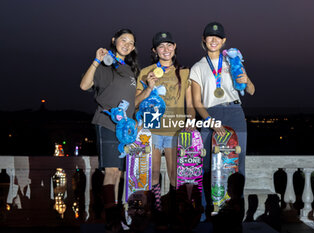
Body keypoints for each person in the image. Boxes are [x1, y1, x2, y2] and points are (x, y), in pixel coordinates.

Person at [190, 22, 255, 221]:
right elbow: (197, 102)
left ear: (224, 40)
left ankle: (237, 212)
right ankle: (206, 211)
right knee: (207, 165)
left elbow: (251, 90)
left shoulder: (233, 61)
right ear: (204, 39)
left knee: (237, 164)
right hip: (211, 114)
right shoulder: (198, 67)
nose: (213, 40)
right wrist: (210, 121)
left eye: (218, 37)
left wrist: (246, 79)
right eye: (210, 36)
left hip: (235, 112)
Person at [80, 29, 140, 210]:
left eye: (131, 43)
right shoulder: (105, 63)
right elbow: (84, 86)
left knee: (119, 172)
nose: (127, 45)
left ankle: (113, 212)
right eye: (123, 40)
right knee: (111, 171)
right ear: (114, 40)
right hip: (107, 123)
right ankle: (111, 217)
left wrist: (148, 90)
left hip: (125, 129)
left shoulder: (130, 69)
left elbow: (132, 101)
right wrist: (96, 60)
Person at [135, 32, 195, 211]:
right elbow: (136, 101)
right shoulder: (145, 72)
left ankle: (175, 211)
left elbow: (190, 104)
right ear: (154, 50)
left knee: (175, 175)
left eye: (169, 45)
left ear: (175, 46)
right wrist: (149, 87)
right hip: (152, 131)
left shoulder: (185, 72)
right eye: (161, 46)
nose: (166, 49)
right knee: (153, 175)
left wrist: (190, 121)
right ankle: (157, 211)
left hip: (175, 131)